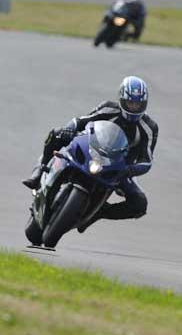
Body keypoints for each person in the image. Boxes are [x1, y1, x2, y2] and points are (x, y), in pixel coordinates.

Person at [22, 76, 158, 232]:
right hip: (91, 153)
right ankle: (39, 171)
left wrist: (129, 170)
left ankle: (99, 212)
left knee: (140, 204)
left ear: (145, 104)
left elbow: (147, 160)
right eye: (130, 103)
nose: (134, 107)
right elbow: (80, 121)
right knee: (56, 134)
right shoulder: (108, 108)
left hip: (119, 169)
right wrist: (68, 129)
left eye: (138, 104)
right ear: (121, 99)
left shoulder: (149, 128)